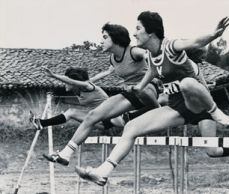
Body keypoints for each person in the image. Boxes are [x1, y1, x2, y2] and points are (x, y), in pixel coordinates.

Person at [75, 11, 229, 186]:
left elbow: (195, 42)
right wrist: (140, 87)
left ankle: (217, 113)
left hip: (199, 105)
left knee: (188, 87)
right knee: (131, 127)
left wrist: (214, 34)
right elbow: (151, 71)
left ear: (150, 32)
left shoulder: (171, 46)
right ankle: (103, 172)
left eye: (138, 28)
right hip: (177, 107)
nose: (134, 33)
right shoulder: (150, 56)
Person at [43, 23, 160, 166]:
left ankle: (157, 108)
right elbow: (109, 72)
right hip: (131, 93)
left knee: (141, 91)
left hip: (149, 88)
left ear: (116, 39)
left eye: (105, 37)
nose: (101, 41)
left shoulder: (133, 51)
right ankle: (66, 154)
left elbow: (152, 55)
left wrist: (158, 71)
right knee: (92, 116)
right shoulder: (112, 59)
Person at [30, 67, 124, 134]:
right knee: (71, 112)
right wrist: (108, 71)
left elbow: (70, 81)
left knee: (119, 120)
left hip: (112, 117)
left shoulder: (87, 86)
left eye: (66, 82)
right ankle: (41, 123)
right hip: (100, 119)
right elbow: (98, 76)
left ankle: (129, 121)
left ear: (74, 82)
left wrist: (53, 75)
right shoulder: (82, 87)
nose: (65, 84)